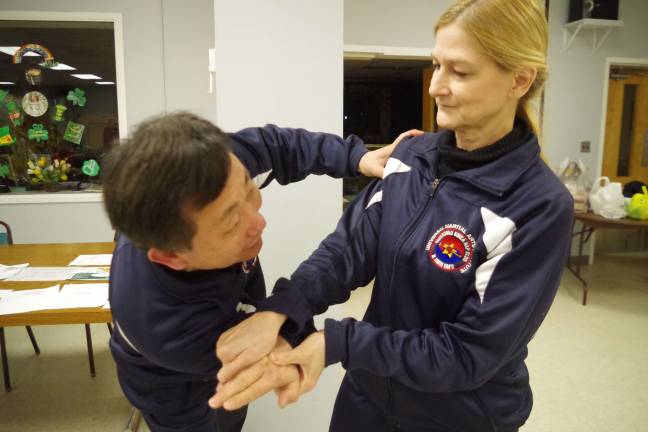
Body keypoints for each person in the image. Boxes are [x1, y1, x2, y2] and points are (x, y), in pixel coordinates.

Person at [211, 1, 574, 431]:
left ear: (519, 79)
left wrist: (337, 342)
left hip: (456, 415)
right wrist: (282, 312)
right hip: (368, 397)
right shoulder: (410, 158)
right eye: (436, 65)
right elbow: (347, 252)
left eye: (460, 72)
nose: (436, 86)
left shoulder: (538, 205)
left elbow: (467, 354)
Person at [102, 111, 421, 432]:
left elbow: (279, 146)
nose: (258, 222)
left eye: (248, 189)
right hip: (170, 385)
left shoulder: (214, 167)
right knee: (215, 410)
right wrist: (316, 341)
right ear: (173, 257)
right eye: (230, 222)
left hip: (223, 304)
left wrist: (355, 157)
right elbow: (271, 348)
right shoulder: (168, 326)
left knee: (235, 412)